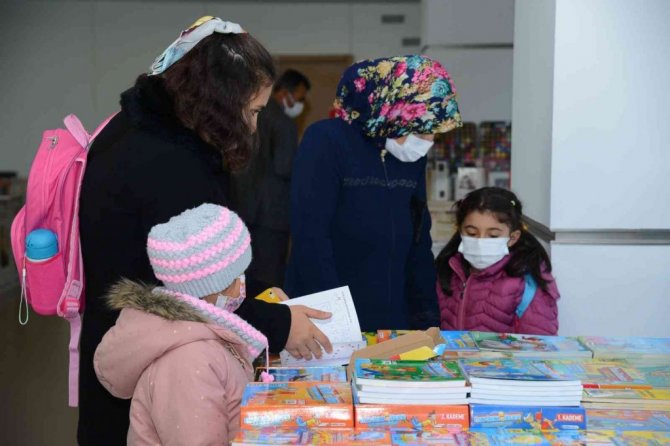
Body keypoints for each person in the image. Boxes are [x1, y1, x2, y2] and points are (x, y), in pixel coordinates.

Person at [78, 17, 331, 445]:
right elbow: (197, 292)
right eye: (252, 111)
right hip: (157, 364)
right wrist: (281, 324)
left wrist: (261, 292)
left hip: (132, 341)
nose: (253, 127)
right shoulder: (173, 162)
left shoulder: (138, 132)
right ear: (222, 100)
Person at [284, 55, 462, 331]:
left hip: (393, 311)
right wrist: (337, 318)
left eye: (433, 132)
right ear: (391, 109)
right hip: (328, 309)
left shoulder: (410, 156)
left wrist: (427, 318)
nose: (427, 141)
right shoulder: (327, 141)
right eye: (420, 128)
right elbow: (311, 237)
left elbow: (419, 238)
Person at [94, 204, 272, 445]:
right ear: (208, 287)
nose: (243, 286)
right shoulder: (189, 360)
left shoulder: (197, 332)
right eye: (235, 279)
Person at [228, 69, 311, 297]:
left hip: (243, 208)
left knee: (244, 276)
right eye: (300, 97)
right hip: (272, 215)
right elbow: (284, 167)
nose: (300, 104)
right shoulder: (284, 123)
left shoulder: (248, 117)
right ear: (285, 92)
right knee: (269, 279)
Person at [435, 187, 560, 335]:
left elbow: (538, 342)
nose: (480, 241)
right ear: (460, 231)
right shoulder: (447, 270)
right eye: (472, 233)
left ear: (513, 238)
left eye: (493, 235)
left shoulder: (528, 280)